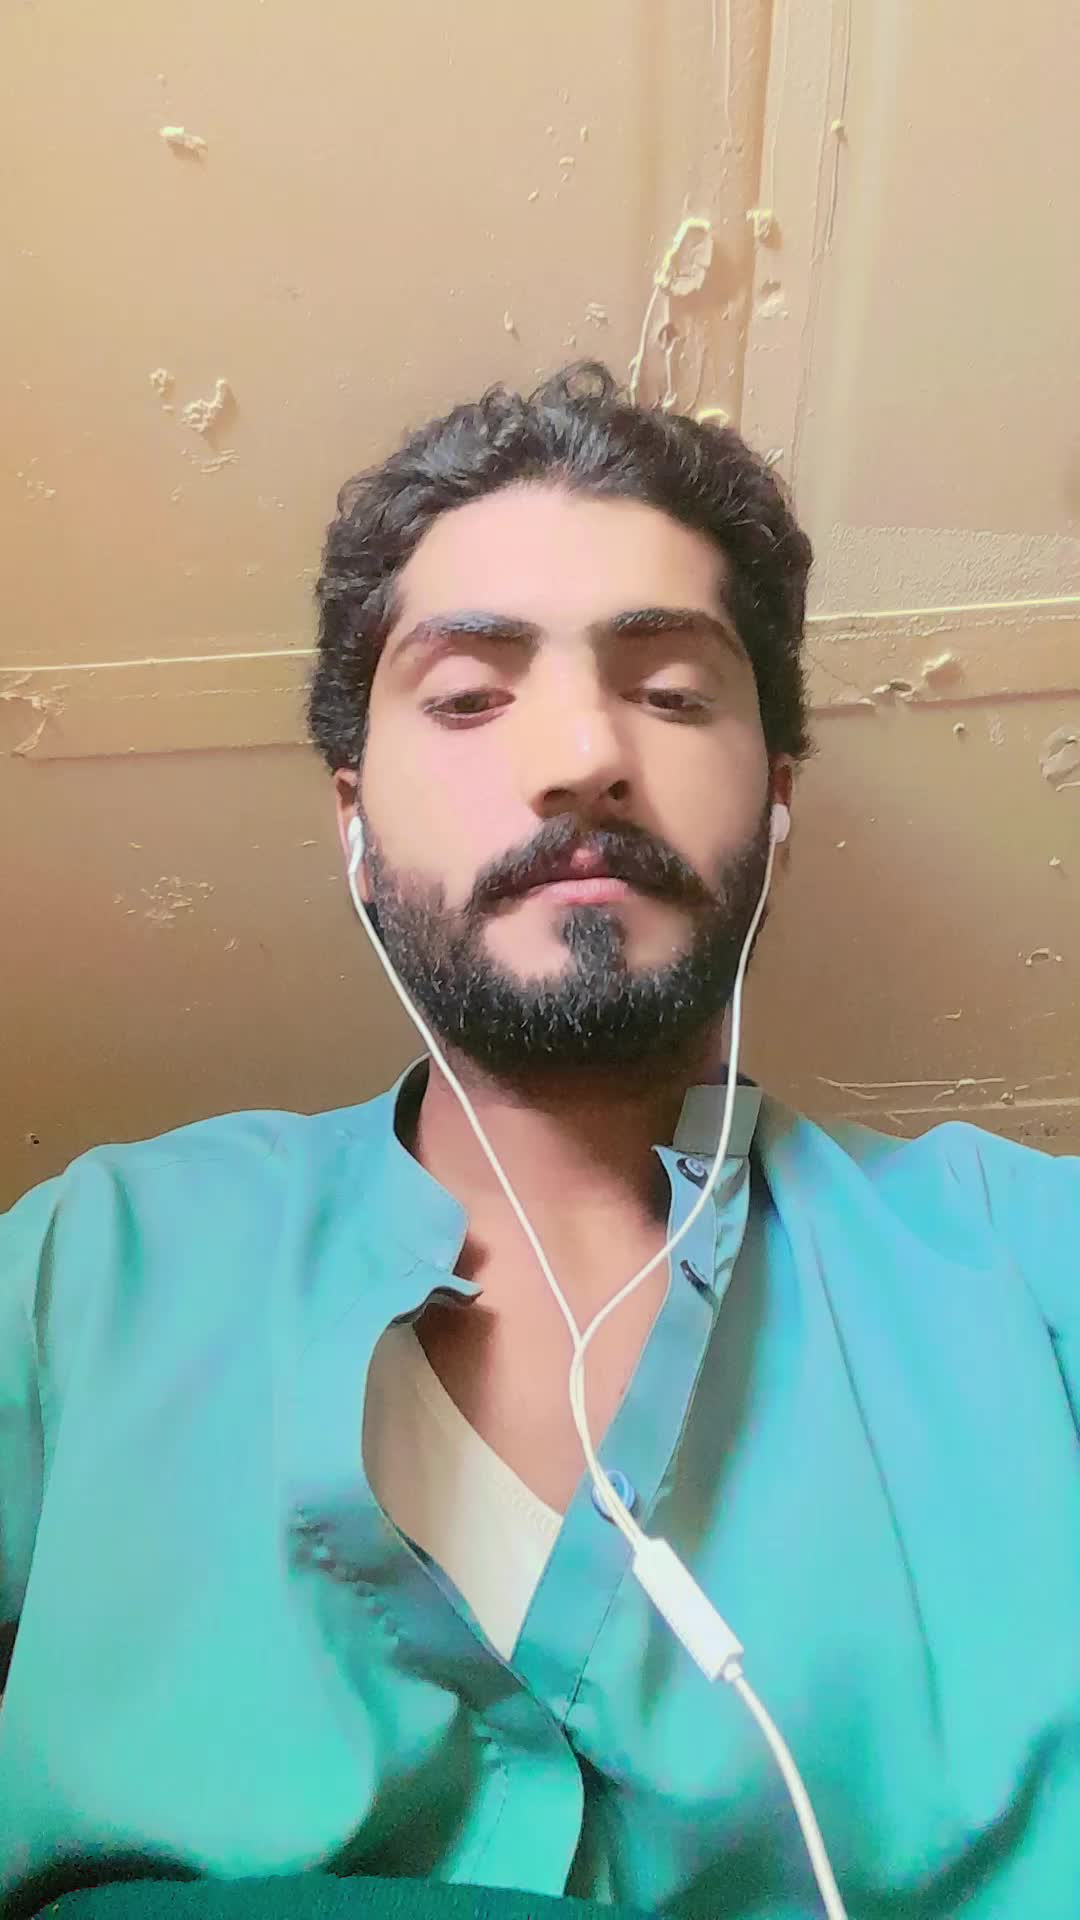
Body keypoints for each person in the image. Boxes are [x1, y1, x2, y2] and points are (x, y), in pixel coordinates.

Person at [0, 363, 1076, 1920]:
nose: (582, 754)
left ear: (776, 808)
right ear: (353, 824)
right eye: (467, 696)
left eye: (672, 692)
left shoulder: (1029, 1272)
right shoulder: (86, 1270)